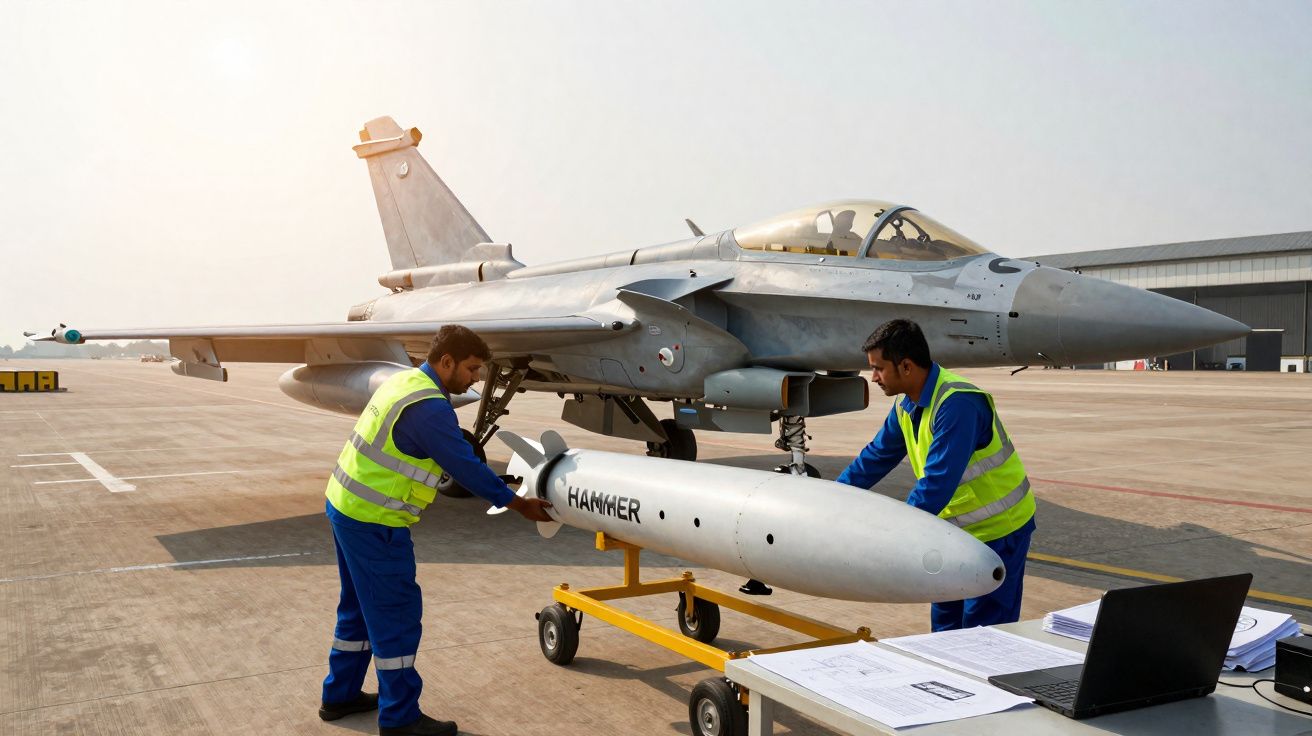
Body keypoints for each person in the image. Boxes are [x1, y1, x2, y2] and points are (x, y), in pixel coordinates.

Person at [318, 325, 553, 736]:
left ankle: (339, 697)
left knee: (357, 609)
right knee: (396, 618)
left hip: (345, 507)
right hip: (375, 523)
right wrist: (518, 504)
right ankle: (401, 718)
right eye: (471, 368)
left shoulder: (403, 381)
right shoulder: (429, 409)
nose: (476, 378)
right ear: (446, 362)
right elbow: (466, 467)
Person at [836, 319, 1035, 631]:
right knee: (944, 630)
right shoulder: (907, 405)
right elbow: (875, 458)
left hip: (998, 533)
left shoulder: (958, 404)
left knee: (983, 635)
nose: (872, 377)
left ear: (906, 366)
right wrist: (834, 497)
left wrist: (894, 539)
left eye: (878, 368)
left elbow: (936, 486)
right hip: (951, 534)